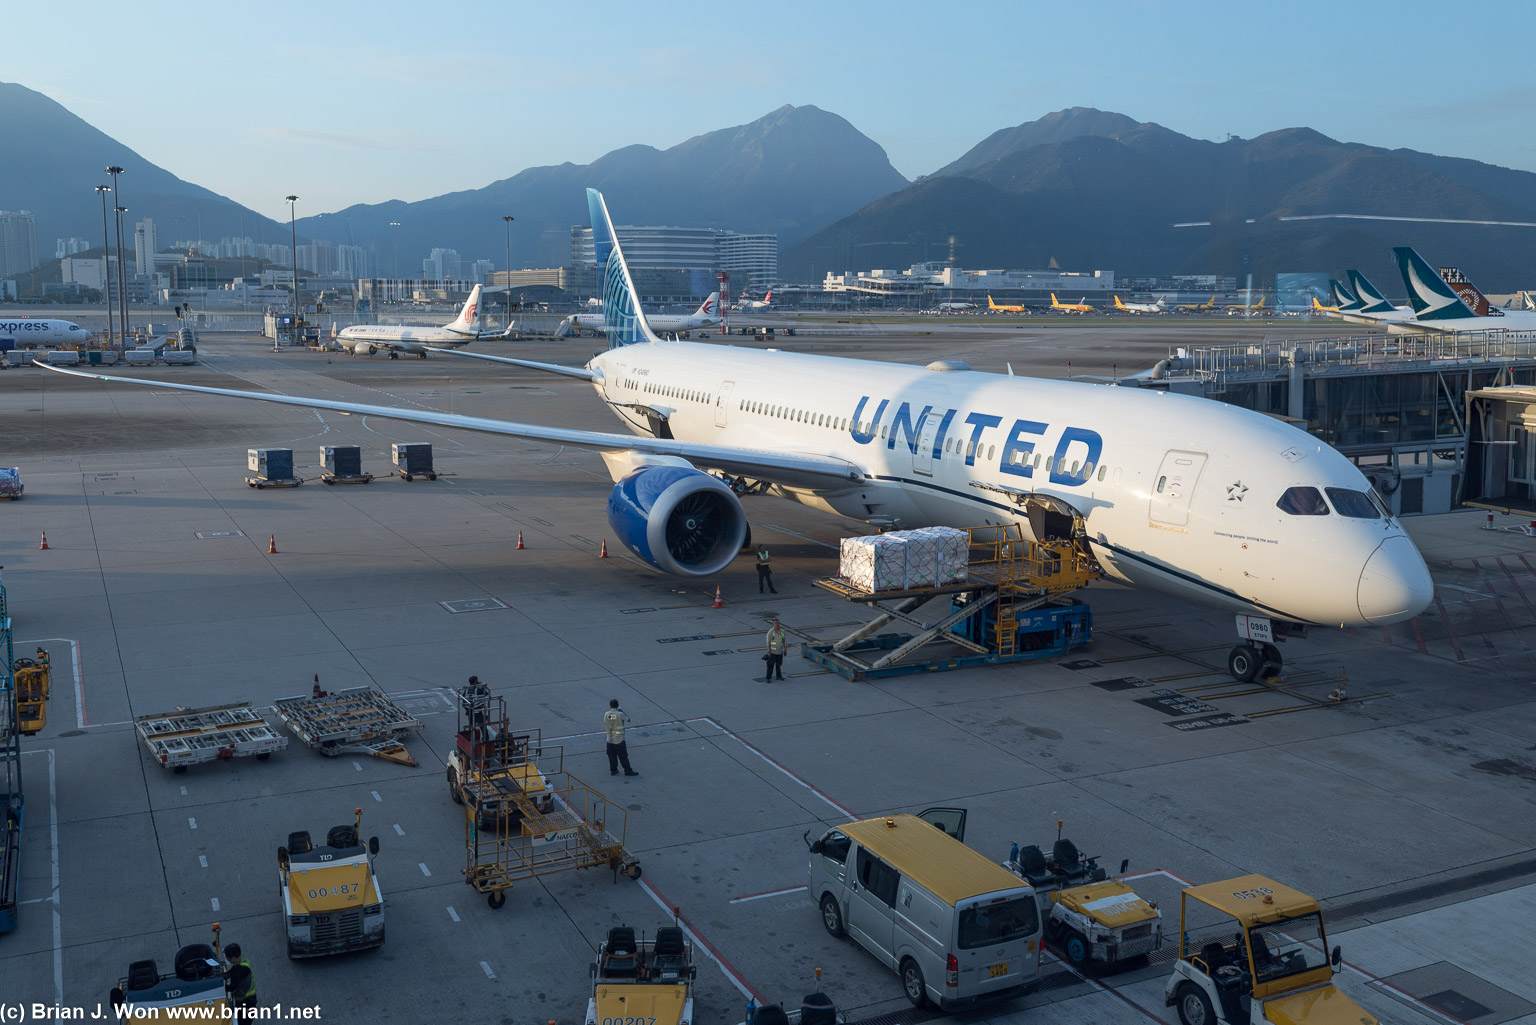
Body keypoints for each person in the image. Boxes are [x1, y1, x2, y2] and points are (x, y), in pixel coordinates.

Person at [223, 943, 257, 1020]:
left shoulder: (241, 970)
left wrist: (219, 987)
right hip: (246, 999)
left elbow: (232, 987)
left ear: (233, 958)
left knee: (242, 1022)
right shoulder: (244, 961)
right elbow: (231, 973)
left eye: (228, 958)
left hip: (247, 1001)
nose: (228, 960)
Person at [604, 699, 638, 776]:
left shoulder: (606, 714)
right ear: (617, 706)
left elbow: (607, 722)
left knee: (612, 756)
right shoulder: (620, 714)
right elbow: (628, 719)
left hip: (609, 739)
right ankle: (627, 770)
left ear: (610, 706)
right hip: (619, 740)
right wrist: (621, 710)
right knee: (623, 756)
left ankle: (613, 770)